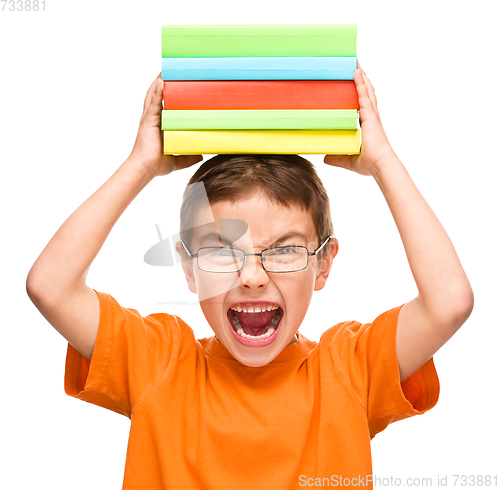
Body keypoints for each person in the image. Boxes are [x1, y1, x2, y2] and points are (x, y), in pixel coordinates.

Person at [26, 66, 473, 489]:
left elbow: (449, 301)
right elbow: (51, 286)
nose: (253, 276)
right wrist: (140, 164)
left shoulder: (349, 370)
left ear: (323, 264)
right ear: (187, 267)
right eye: (221, 251)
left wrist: (383, 162)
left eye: (284, 249)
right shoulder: (159, 363)